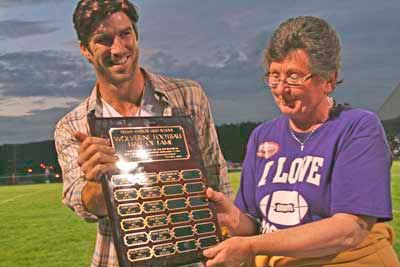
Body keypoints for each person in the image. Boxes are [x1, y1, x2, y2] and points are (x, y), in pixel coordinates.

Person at [203, 16, 399, 266]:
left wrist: (252, 246)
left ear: (329, 80)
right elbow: (256, 225)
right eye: (274, 76)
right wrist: (232, 217)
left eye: (294, 77)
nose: (281, 88)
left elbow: (350, 230)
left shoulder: (357, 127)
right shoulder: (263, 135)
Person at [54, 1, 233, 266]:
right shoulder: (73, 126)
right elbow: (85, 207)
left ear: (136, 36)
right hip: (119, 258)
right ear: (85, 50)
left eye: (125, 34)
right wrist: (99, 182)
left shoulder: (187, 96)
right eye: (103, 40)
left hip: (193, 257)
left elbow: (216, 180)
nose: (117, 49)